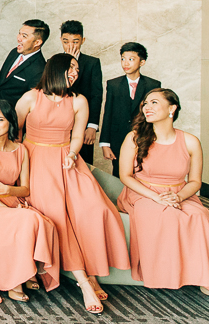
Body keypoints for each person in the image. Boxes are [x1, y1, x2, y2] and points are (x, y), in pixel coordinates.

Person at [16, 54, 130, 315]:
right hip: (34, 160)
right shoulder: (30, 97)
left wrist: (71, 154)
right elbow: (15, 131)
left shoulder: (79, 100)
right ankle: (85, 281)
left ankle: (94, 271)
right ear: (56, 70)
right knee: (57, 216)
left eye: (77, 70)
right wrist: (19, 165)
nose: (75, 74)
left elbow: (77, 135)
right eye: (71, 69)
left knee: (94, 209)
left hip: (67, 159)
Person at [117, 89, 209, 299]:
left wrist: (178, 197)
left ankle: (205, 276)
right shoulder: (134, 138)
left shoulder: (190, 141)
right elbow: (125, 176)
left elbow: (195, 181)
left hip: (178, 192)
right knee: (167, 214)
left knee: (201, 216)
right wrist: (156, 197)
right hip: (141, 192)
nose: (147, 107)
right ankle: (170, 274)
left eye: (154, 102)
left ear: (172, 108)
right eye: (145, 103)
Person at [0, 100, 60, 302]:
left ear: (10, 122)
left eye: (0, 120)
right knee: (24, 219)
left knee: (43, 222)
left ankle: (29, 271)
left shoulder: (21, 150)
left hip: (13, 199)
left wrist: (7, 190)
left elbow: (25, 188)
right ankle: (14, 282)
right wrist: (7, 209)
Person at [100, 42, 161, 176]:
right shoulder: (113, 84)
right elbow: (108, 113)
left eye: (131, 59)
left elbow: (156, 115)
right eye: (123, 59)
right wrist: (105, 143)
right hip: (118, 139)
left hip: (144, 137)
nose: (125, 63)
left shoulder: (153, 85)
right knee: (119, 174)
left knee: (143, 173)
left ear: (142, 62)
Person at [60, 21, 102, 165]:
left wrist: (92, 126)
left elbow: (96, 95)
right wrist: (66, 63)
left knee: (83, 164)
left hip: (83, 123)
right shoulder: (53, 62)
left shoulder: (92, 63)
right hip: (59, 123)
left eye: (75, 42)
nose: (70, 46)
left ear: (83, 40)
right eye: (66, 41)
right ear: (61, 40)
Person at [0, 20, 48, 111]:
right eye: (19, 33)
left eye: (24, 36)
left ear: (37, 42)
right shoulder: (14, 52)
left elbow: (30, 103)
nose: (18, 38)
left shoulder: (40, 69)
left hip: (12, 115)